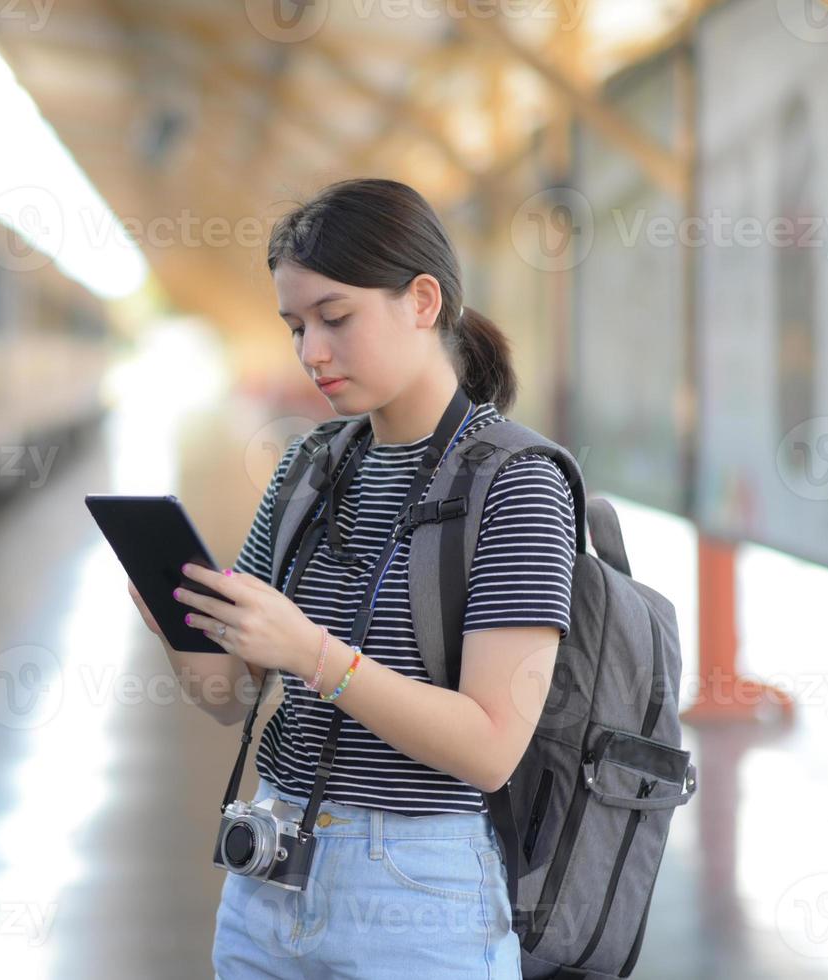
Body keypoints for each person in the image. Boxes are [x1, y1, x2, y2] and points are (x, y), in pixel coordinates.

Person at [128, 177, 577, 978]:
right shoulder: (309, 464)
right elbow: (232, 695)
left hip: (418, 893)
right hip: (267, 875)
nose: (311, 352)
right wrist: (174, 619)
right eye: (295, 326)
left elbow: (488, 748)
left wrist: (310, 653)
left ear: (422, 301)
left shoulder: (514, 481)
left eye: (335, 318)